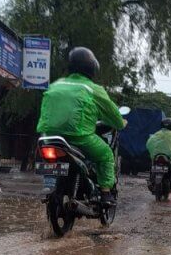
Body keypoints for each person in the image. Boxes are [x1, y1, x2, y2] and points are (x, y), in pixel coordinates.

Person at [36, 47, 126, 204]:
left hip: (49, 137)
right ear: (92, 68)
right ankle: (105, 193)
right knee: (106, 155)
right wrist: (121, 123)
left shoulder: (55, 85)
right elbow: (114, 117)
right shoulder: (93, 89)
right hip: (80, 138)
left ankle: (49, 185)